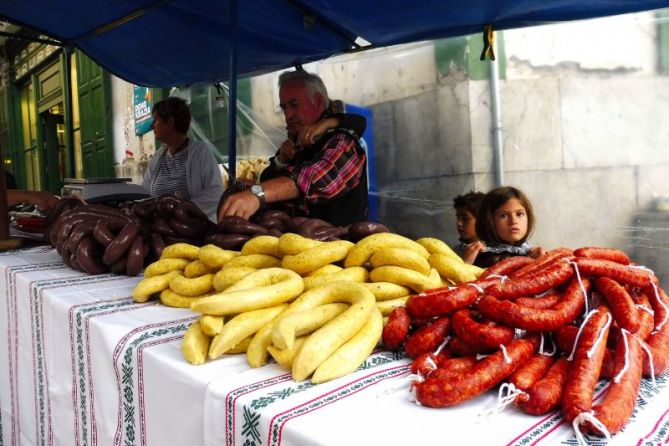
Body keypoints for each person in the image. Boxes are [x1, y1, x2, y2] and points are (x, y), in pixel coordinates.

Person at [219, 69, 369, 226]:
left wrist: (257, 194)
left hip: (342, 246)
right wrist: (279, 162)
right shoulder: (297, 145)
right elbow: (270, 185)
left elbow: (315, 179)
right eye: (284, 107)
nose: (288, 115)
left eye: (294, 105)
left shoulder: (342, 142)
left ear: (317, 101)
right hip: (296, 244)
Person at [142, 97, 223, 221]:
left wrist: (180, 210)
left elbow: (215, 193)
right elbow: (145, 193)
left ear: (170, 122)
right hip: (161, 230)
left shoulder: (201, 152)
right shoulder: (157, 158)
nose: (152, 126)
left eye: (156, 120)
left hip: (194, 230)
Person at [473, 186, 545, 268]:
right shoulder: (482, 258)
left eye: (519, 214)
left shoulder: (533, 253)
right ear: (487, 221)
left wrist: (542, 263)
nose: (513, 221)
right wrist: (465, 264)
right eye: (503, 215)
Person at [452, 190, 485, 264]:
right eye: (458, 218)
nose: (459, 223)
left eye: (465, 219)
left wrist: (465, 265)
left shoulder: (491, 255)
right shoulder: (456, 251)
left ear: (482, 221)